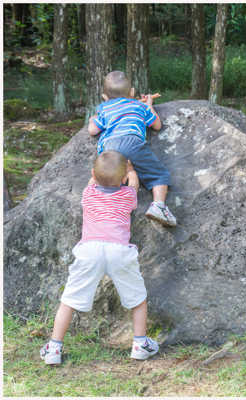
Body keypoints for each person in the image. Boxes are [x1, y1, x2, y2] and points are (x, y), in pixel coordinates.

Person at [40, 151, 159, 365]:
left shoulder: (88, 194)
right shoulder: (127, 196)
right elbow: (133, 184)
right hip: (119, 251)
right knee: (138, 299)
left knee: (69, 300)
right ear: (123, 179)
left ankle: (54, 348)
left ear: (93, 174)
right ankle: (140, 343)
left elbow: (93, 180)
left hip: (90, 251)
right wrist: (131, 172)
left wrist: (98, 174)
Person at [88, 70, 176, 228]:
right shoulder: (138, 106)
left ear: (104, 96)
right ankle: (158, 206)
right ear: (132, 92)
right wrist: (148, 106)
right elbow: (157, 125)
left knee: (106, 174)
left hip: (109, 147)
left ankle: (99, 202)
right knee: (158, 174)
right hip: (133, 143)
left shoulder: (104, 108)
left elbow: (93, 130)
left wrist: (92, 119)